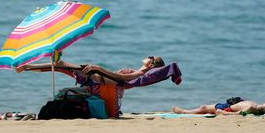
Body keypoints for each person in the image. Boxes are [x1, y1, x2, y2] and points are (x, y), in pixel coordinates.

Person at [16, 56, 166, 85]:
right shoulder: (137, 72)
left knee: (61, 65)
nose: (148, 56)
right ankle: (27, 68)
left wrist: (98, 68)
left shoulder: (139, 73)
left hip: (96, 78)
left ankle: (27, 67)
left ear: (151, 66)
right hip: (96, 76)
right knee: (60, 66)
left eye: (151, 57)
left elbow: (120, 79)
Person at [172, 99, 265, 115]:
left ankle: (184, 112)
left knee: (204, 107)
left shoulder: (252, 107)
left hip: (227, 108)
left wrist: (222, 113)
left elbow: (237, 115)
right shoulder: (257, 109)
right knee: (205, 108)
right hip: (232, 105)